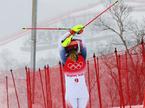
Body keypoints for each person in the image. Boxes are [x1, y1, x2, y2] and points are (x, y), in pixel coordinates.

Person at [59, 24, 89, 108]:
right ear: (77, 48)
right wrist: (76, 32)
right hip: (83, 93)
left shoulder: (65, 61)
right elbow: (83, 42)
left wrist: (71, 32)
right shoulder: (82, 58)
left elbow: (60, 44)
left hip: (71, 94)